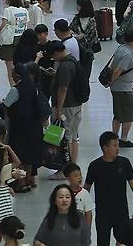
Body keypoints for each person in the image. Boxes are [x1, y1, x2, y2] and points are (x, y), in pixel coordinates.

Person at [84, 131, 133, 246]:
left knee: (123, 241)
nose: (118, 148)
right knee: (103, 241)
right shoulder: (94, 166)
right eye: (114, 145)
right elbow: (86, 188)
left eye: (118, 145)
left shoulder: (124, 163)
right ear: (105, 148)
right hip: (102, 213)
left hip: (121, 211)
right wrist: (81, 206)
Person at [0, 62, 44, 191]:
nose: (11, 75)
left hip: (19, 126)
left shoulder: (15, 90)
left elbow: (5, 106)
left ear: (18, 75)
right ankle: (29, 179)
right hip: (34, 125)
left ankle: (21, 182)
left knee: (19, 154)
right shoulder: (34, 87)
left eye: (13, 73)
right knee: (30, 155)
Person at [51, 41, 84, 176]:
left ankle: (65, 170)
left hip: (66, 106)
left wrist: (59, 110)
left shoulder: (65, 66)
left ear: (58, 52)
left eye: (53, 56)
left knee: (65, 138)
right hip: (76, 103)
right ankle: (72, 166)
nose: (54, 59)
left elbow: (63, 88)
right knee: (74, 136)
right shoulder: (74, 61)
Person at [109, 30, 133, 148]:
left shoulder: (120, 48)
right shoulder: (127, 54)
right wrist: (112, 80)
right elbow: (117, 71)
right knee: (128, 116)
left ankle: (114, 137)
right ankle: (123, 139)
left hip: (117, 88)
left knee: (118, 114)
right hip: (123, 88)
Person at [0, 0, 29, 87]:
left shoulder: (8, 10)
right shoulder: (24, 10)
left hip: (10, 42)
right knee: (20, 67)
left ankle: (13, 90)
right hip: (22, 41)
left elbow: (3, 25)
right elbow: (27, 25)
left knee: (10, 70)